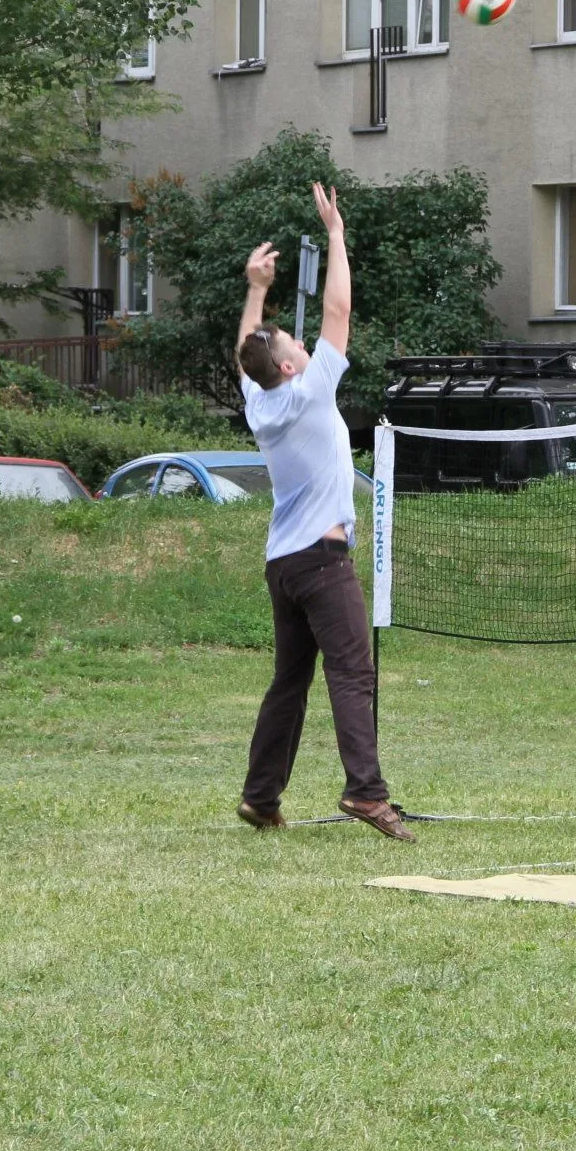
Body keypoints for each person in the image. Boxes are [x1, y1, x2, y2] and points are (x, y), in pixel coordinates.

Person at [232, 183, 410, 841]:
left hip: (285, 562)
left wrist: (256, 290)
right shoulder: (307, 391)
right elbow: (339, 306)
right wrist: (335, 232)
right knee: (352, 670)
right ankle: (366, 792)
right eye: (294, 343)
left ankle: (260, 795)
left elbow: (244, 355)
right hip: (323, 561)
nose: (306, 343)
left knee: (290, 682)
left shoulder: (263, 401)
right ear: (287, 361)